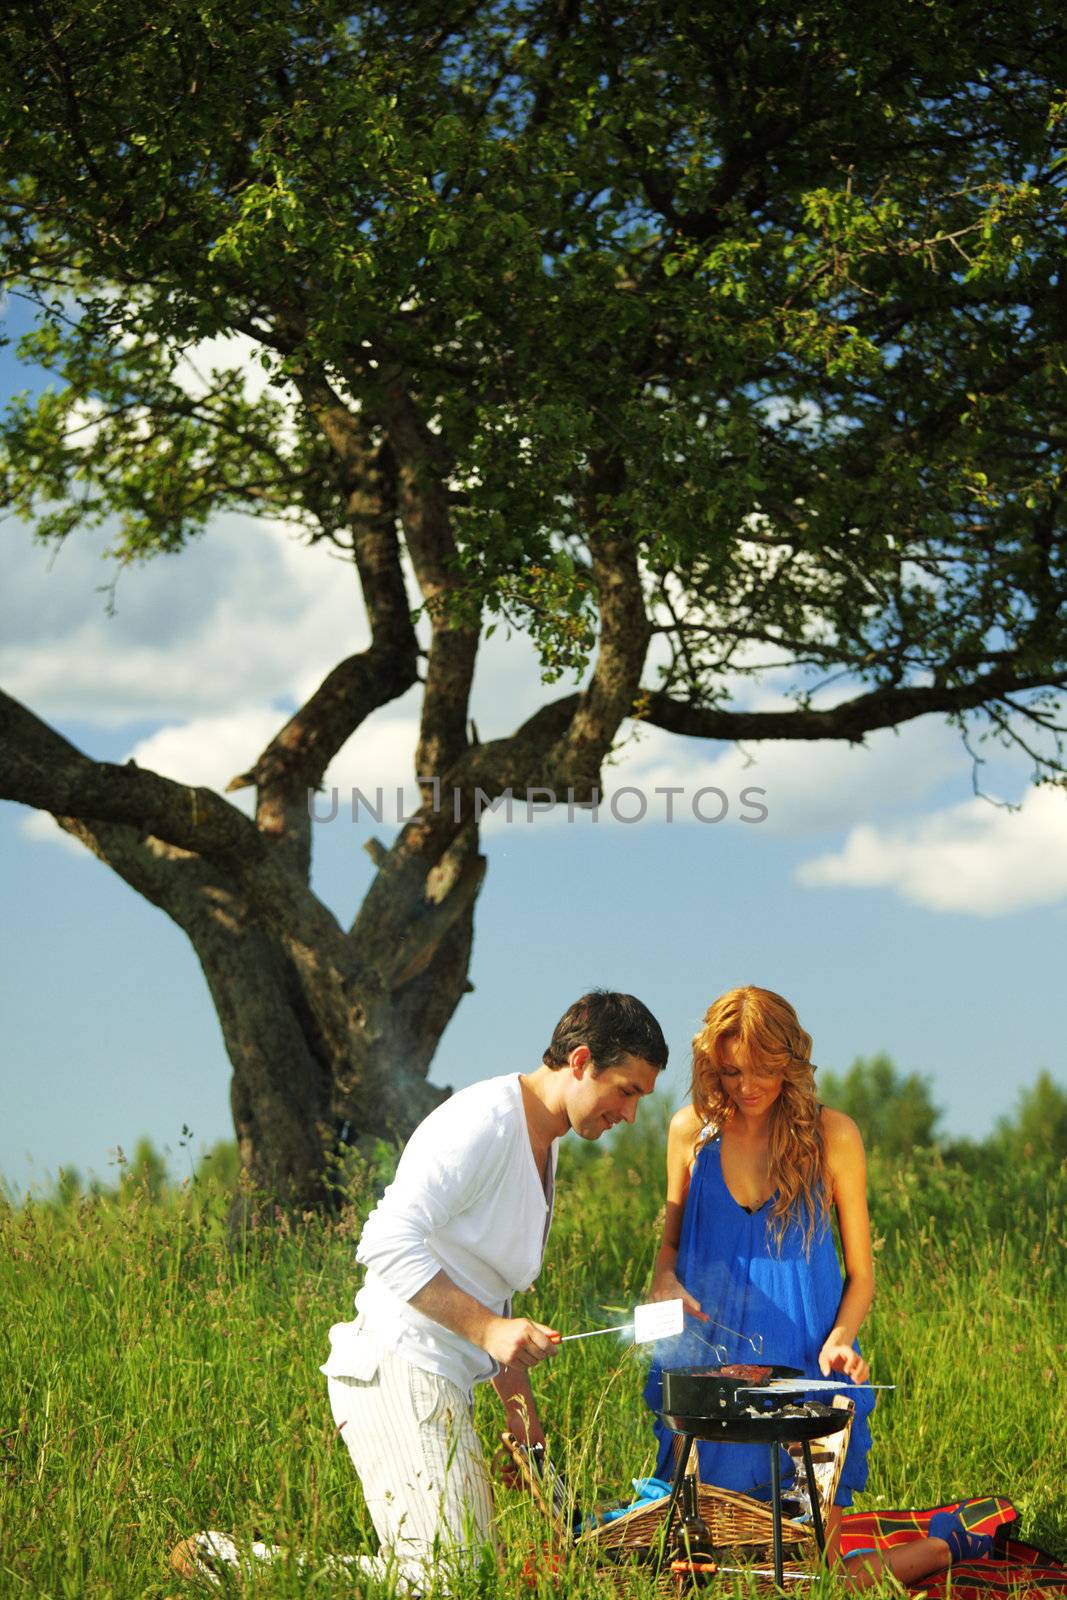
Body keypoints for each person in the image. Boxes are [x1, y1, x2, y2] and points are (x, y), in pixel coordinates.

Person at [645, 986, 992, 1588]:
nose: (746, 1087)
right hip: (710, 1377)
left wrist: (841, 1339)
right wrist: (664, 1285)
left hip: (808, 1369)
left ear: (790, 1063)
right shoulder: (689, 1132)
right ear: (711, 1066)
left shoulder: (834, 1136)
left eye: (763, 1071)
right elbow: (667, 1251)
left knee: (817, 1577)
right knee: (695, 1569)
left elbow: (862, 1275)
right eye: (730, 1072)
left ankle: (942, 1548)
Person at [322, 990, 668, 1591]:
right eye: (627, 1090)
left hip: (442, 1381)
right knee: (450, 1582)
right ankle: (232, 1566)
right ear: (581, 1061)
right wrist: (488, 1331)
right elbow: (383, 1240)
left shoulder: (546, 1144)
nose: (631, 1114)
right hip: (395, 1368)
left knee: (462, 1578)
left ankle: (226, 1564)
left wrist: (521, 1415)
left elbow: (489, 1284)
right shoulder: (484, 1121)